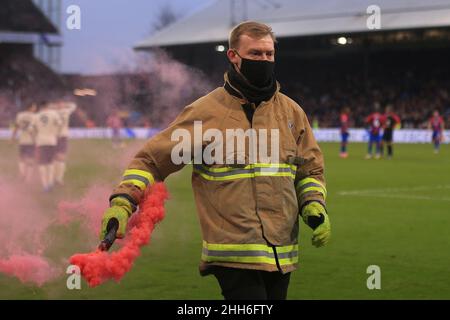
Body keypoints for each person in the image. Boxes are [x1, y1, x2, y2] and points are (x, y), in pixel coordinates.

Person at [99, 21, 331, 300]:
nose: (264, 60)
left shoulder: (292, 112)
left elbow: (309, 169)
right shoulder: (205, 112)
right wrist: (124, 203)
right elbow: (152, 160)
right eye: (255, 54)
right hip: (232, 252)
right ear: (234, 56)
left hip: (282, 251)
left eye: (269, 54)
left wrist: (314, 204)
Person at [31, 101, 63, 192]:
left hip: (40, 142)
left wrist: (35, 138)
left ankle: (45, 185)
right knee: (50, 163)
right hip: (51, 141)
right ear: (47, 106)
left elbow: (31, 129)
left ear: (40, 107)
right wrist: (57, 133)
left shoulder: (36, 116)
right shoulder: (54, 114)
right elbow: (60, 124)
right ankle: (50, 183)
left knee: (42, 164)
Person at [11, 102, 37, 182]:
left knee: (21, 159)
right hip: (32, 141)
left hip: (22, 140)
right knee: (31, 160)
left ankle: (22, 173)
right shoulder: (35, 116)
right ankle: (28, 178)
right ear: (30, 107)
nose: (35, 108)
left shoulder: (20, 115)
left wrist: (13, 138)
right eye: (34, 107)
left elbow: (16, 127)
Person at [53, 100, 77, 186]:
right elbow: (73, 105)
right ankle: (58, 179)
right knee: (60, 158)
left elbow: (74, 106)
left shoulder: (54, 112)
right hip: (60, 136)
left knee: (58, 158)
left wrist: (56, 106)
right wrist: (66, 104)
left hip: (58, 136)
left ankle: (57, 178)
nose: (61, 105)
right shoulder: (65, 111)